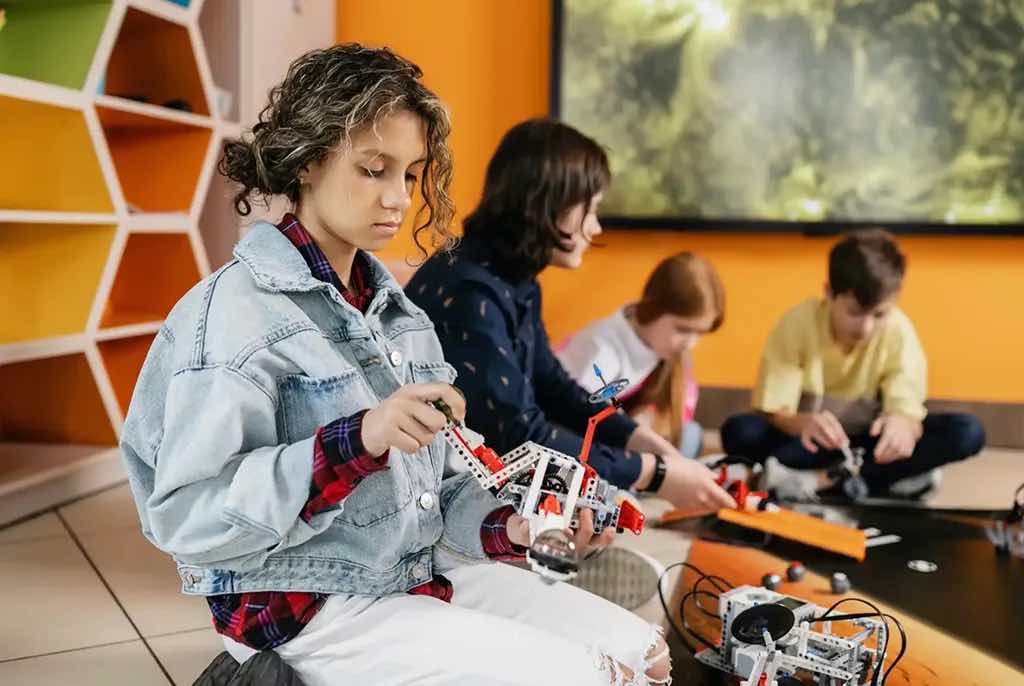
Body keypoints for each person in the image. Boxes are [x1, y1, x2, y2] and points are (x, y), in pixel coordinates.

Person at [119, 45, 670, 685]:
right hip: (305, 605)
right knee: (599, 678)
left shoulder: (400, 319)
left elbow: (443, 487)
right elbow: (189, 520)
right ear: (305, 161)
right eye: (374, 170)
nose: (399, 200)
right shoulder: (231, 319)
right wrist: (357, 441)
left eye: (409, 175)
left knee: (648, 655)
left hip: (410, 569)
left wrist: (510, 527)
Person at [408, 118, 735, 514]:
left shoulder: (514, 280)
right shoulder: (469, 289)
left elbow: (554, 387)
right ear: (549, 205)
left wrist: (639, 441)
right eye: (591, 209)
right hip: (433, 500)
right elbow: (520, 437)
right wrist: (652, 473)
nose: (595, 227)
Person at [720, 228, 985, 499]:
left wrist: (903, 425)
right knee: (740, 431)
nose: (866, 328)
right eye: (855, 312)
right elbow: (775, 413)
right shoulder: (796, 324)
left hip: (870, 446)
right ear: (829, 293)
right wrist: (805, 424)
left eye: (879, 314)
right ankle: (879, 482)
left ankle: (826, 481)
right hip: (812, 444)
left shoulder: (899, 331)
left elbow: (909, 414)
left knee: (967, 431)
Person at [559, 252, 725, 459]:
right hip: (579, 437)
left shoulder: (661, 344)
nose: (691, 343)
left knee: (691, 436)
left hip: (632, 425)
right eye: (683, 330)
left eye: (700, 333)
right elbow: (573, 418)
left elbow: (680, 409)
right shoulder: (601, 350)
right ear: (654, 309)